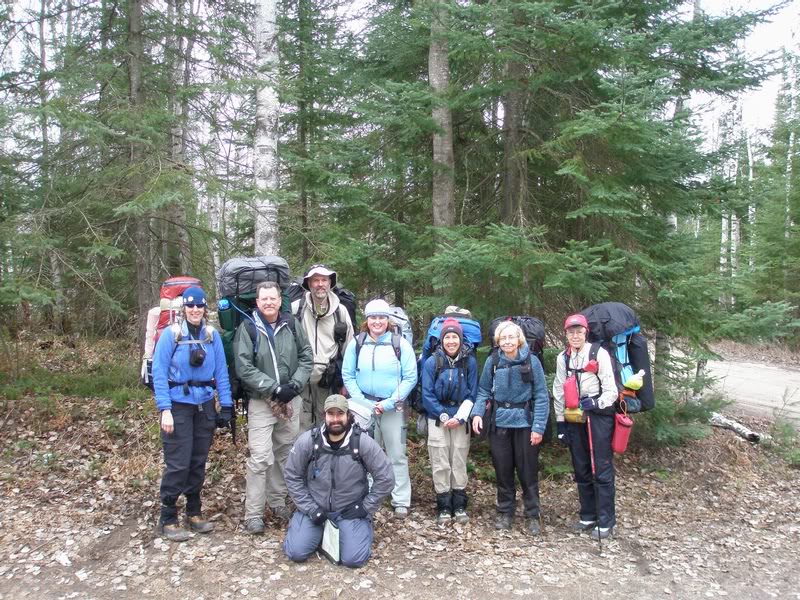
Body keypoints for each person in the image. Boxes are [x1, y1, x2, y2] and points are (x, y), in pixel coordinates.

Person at [152, 285, 233, 542]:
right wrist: (164, 409)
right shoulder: (171, 335)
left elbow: (221, 371)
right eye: (191, 305)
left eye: (199, 305)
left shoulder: (212, 336)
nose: (195, 310)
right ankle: (168, 516)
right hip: (178, 405)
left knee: (198, 460)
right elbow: (159, 372)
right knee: (178, 462)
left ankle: (194, 511)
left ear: (205, 308)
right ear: (183, 308)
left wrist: (227, 406)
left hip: (205, 405)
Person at [234, 281, 313, 534]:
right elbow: (244, 366)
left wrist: (295, 385)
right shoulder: (248, 328)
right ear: (257, 302)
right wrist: (274, 388)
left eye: (273, 298)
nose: (268, 302)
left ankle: (278, 502)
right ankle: (254, 514)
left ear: (280, 301)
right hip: (261, 401)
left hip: (291, 401)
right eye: (263, 299)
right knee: (259, 457)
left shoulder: (291, 324)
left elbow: (306, 356)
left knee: (285, 453)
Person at [283, 395, 395, 568]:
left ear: (348, 415)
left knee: (353, 560)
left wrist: (365, 507)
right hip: (315, 508)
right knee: (296, 552)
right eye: (331, 414)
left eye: (340, 414)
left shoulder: (362, 442)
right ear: (324, 416)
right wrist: (309, 508)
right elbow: (292, 475)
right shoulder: (308, 441)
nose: (335, 419)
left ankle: (356, 529)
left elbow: (386, 477)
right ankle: (316, 532)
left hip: (349, 510)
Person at [470, 321, 549, 535]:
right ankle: (505, 511)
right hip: (500, 423)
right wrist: (477, 413)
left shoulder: (532, 361)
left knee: (527, 471)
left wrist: (538, 427)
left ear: (519, 339)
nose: (507, 341)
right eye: (503, 338)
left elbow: (541, 396)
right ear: (498, 341)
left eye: (511, 337)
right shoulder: (493, 361)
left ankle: (532, 514)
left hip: (525, 423)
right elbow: (484, 391)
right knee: (503, 470)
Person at [341, 298, 417, 518]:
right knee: (366, 453)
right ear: (367, 320)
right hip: (363, 407)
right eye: (373, 317)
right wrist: (362, 401)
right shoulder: (357, 343)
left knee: (396, 453)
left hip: (393, 407)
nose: (377, 321)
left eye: (382, 317)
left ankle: (400, 499)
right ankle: (369, 493)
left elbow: (410, 376)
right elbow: (348, 374)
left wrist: (389, 402)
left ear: (388, 319)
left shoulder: (399, 343)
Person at [552, 313, 618, 540]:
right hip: (573, 417)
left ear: (586, 332)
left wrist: (596, 403)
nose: (575, 335)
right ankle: (588, 514)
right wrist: (560, 422)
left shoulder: (598, 353)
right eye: (571, 332)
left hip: (597, 416)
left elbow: (612, 391)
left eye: (579, 331)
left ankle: (606, 519)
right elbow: (559, 390)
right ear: (566, 334)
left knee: (600, 466)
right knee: (580, 466)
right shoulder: (564, 357)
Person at [421, 318, 478, 524]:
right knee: (440, 459)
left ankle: (460, 503)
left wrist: (460, 417)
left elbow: (473, 392)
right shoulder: (432, 362)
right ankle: (444, 504)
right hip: (437, 418)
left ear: (460, 339)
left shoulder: (469, 361)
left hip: (461, 417)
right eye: (447, 337)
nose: (451, 341)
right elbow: (426, 394)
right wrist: (443, 415)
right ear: (442, 339)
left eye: (455, 337)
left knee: (459, 459)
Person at [291, 264, 354, 432]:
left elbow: (349, 348)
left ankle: (325, 457)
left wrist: (346, 381)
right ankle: (306, 456)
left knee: (328, 421)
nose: (320, 284)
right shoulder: (296, 308)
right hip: (301, 376)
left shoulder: (340, 311)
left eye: (324, 280)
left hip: (329, 377)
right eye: (316, 280)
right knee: (301, 424)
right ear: (309, 283)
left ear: (330, 283)